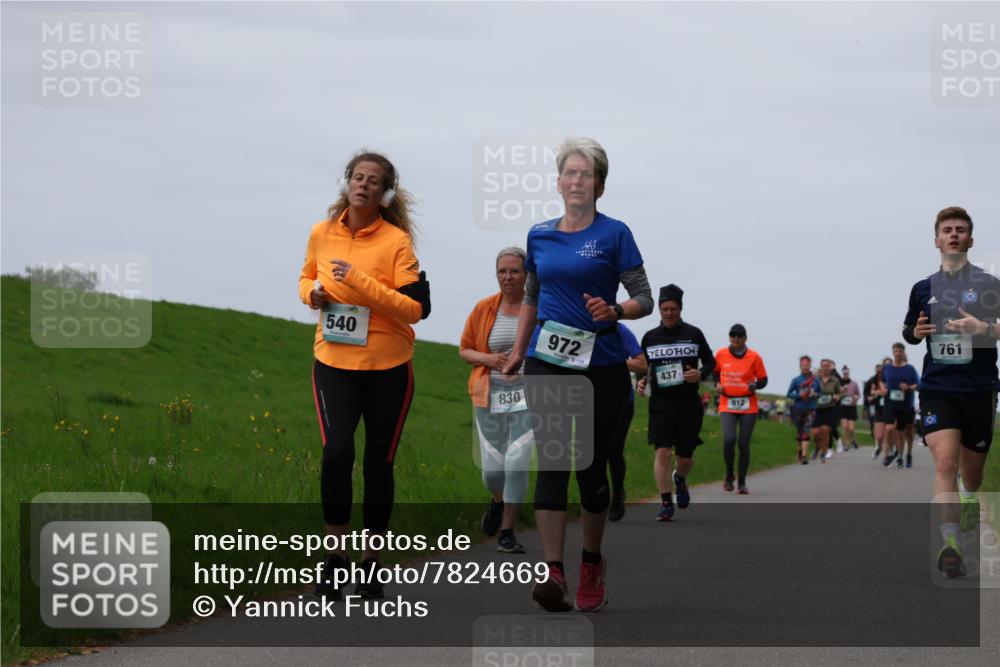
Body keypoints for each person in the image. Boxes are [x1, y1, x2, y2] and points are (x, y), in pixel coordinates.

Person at [500, 137, 653, 612]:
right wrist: (519, 350)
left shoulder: (615, 233)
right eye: (570, 173)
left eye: (586, 174)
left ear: (599, 185)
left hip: (601, 364)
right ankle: (553, 573)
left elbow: (644, 297)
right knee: (551, 460)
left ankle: (590, 560)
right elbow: (532, 297)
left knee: (590, 470)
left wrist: (616, 310)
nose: (577, 181)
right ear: (558, 182)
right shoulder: (539, 234)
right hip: (547, 359)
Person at [301, 151, 431, 600]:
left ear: (384, 192)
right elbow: (304, 278)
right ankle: (335, 557)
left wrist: (359, 282)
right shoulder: (321, 232)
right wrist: (313, 294)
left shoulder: (396, 242)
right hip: (333, 361)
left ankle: (370, 564)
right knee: (336, 454)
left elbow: (413, 309)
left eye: (374, 181)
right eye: (358, 177)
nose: (364, 185)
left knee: (378, 465)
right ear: (347, 182)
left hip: (388, 366)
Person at [901, 206, 999, 577]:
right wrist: (916, 333)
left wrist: (984, 329)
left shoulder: (989, 285)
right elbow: (910, 330)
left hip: (979, 387)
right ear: (937, 239)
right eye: (947, 229)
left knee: (971, 474)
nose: (954, 234)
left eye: (961, 229)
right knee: (944, 462)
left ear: (970, 240)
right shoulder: (922, 288)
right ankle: (950, 542)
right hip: (938, 387)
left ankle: (971, 494)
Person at [459, 247, 534, 553]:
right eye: (502, 271)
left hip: (528, 397)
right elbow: (464, 349)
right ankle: (497, 501)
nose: (508, 277)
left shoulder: (539, 309)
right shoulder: (484, 308)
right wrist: (488, 358)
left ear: (526, 275)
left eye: (515, 271)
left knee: (516, 462)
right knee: (492, 470)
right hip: (488, 396)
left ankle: (507, 529)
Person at [637, 284, 715, 519]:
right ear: (659, 310)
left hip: (688, 403)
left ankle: (679, 478)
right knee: (662, 452)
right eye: (664, 309)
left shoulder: (694, 334)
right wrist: (641, 381)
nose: (668, 313)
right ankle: (665, 502)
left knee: (685, 458)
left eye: (672, 309)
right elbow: (643, 367)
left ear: (680, 309)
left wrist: (700, 374)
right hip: (661, 403)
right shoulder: (650, 338)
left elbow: (711, 362)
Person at [714, 323, 768, 493]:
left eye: (739, 336)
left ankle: (742, 482)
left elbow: (763, 380)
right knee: (729, 440)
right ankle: (729, 474)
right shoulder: (721, 354)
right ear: (729, 337)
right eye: (733, 335)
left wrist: (755, 386)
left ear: (745, 338)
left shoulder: (754, 357)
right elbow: (715, 372)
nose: (736, 339)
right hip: (727, 402)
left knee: (744, 444)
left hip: (748, 404)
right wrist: (717, 383)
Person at [608, 323, 647, 522]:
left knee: (613, 451)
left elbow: (641, 364)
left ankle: (617, 495)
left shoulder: (620, 331)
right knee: (592, 452)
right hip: (587, 398)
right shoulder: (579, 330)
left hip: (622, 401)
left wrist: (612, 361)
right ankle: (597, 495)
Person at [881, 342, 920, 469]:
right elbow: (881, 381)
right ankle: (890, 452)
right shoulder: (887, 368)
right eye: (895, 351)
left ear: (903, 353)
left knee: (903, 432)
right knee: (889, 428)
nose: (897, 353)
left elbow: (918, 385)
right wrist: (883, 388)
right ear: (892, 352)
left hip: (905, 405)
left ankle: (902, 456)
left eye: (900, 351)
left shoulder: (910, 369)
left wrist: (908, 387)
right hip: (889, 403)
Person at [787, 356, 820, 464]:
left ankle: (805, 456)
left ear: (810, 366)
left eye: (807, 365)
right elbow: (789, 394)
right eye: (803, 365)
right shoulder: (796, 380)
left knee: (806, 433)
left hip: (811, 409)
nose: (805, 367)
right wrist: (799, 395)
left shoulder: (815, 380)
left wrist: (815, 395)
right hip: (798, 409)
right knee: (799, 434)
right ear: (800, 366)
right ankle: (800, 449)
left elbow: (820, 393)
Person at [812, 359, 842, 462]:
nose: (825, 368)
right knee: (816, 433)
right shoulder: (816, 379)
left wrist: (838, 396)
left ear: (830, 368)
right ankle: (817, 447)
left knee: (825, 432)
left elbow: (840, 392)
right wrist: (813, 394)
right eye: (823, 366)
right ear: (821, 367)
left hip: (830, 409)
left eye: (827, 366)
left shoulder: (834, 380)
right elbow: (811, 391)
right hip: (818, 408)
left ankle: (823, 454)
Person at [864, 363, 887, 460]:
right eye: (877, 370)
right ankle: (878, 446)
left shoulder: (888, 378)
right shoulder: (872, 380)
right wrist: (870, 398)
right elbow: (868, 392)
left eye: (880, 370)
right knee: (879, 433)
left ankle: (887, 454)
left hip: (889, 407)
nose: (879, 372)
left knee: (888, 430)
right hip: (876, 406)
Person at [839, 366, 861, 449]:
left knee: (851, 428)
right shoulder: (839, 383)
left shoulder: (854, 383)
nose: (845, 374)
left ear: (848, 373)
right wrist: (841, 393)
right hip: (842, 407)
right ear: (842, 373)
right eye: (844, 372)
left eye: (847, 372)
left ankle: (853, 440)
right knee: (845, 427)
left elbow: (858, 394)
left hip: (852, 407)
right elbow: (837, 394)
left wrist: (856, 398)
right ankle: (846, 444)